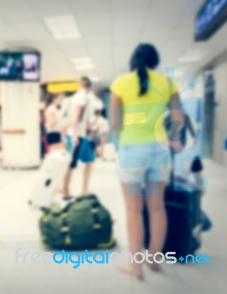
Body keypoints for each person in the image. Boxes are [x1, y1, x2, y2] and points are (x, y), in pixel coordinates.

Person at [110, 43, 184, 279]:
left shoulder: (121, 83)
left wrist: (125, 139)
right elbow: (177, 115)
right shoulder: (167, 82)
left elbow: (114, 123)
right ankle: (153, 259)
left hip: (132, 152)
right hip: (159, 151)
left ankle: (136, 266)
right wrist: (174, 139)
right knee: (156, 206)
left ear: (134, 60)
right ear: (155, 61)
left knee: (133, 210)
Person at [63, 77, 97, 198]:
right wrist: (74, 135)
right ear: (90, 87)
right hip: (76, 135)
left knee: (90, 160)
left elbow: (82, 118)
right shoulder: (81, 97)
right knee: (71, 164)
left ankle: (84, 190)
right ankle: (65, 191)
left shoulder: (83, 97)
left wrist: (90, 127)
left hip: (81, 135)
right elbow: (76, 117)